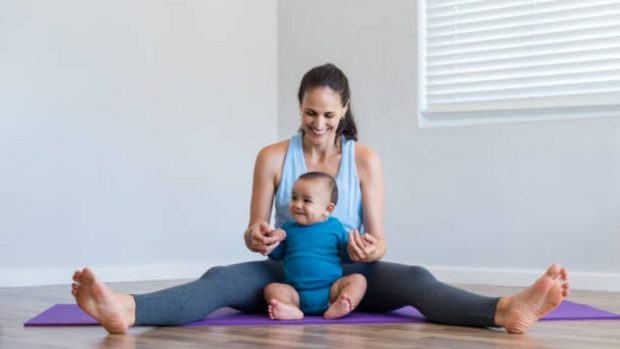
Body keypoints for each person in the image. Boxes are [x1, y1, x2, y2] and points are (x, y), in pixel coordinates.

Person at [71, 63, 570, 334]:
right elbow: (254, 235)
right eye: (311, 113)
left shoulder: (365, 159)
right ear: (300, 108)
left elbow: (378, 241)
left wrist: (370, 251)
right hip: (285, 272)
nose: (320, 124)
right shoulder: (271, 156)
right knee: (220, 279)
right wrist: (257, 235)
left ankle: (506, 311)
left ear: (344, 110)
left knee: (416, 278)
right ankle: (128, 311)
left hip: (347, 275)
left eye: (329, 115)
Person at [264, 171, 367, 320]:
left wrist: (353, 248)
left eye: (307, 200)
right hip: (295, 293)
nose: (297, 204)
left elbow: (346, 256)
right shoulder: (287, 228)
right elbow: (276, 255)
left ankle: (342, 303)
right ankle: (290, 308)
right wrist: (273, 240)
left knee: (359, 280)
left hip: (331, 290)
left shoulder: (335, 227)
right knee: (271, 289)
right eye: (294, 198)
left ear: (328, 209)